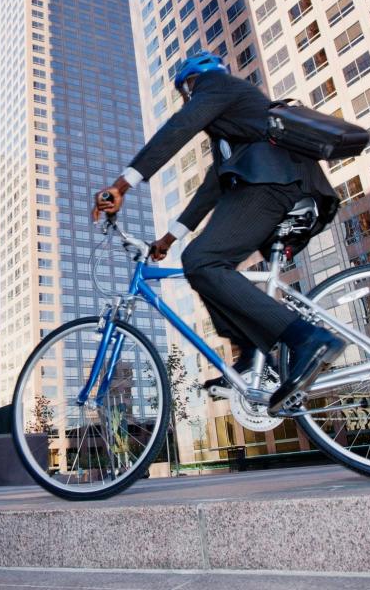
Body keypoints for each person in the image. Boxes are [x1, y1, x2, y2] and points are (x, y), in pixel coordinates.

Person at [92, 50, 343, 412]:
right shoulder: (232, 132)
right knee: (205, 265)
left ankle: (308, 339)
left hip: (277, 184)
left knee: (203, 261)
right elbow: (214, 185)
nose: (186, 99)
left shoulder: (217, 85)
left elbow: (179, 128)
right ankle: (250, 355)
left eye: (184, 93)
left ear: (190, 84)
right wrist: (169, 239)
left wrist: (122, 184)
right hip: (274, 185)